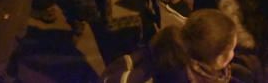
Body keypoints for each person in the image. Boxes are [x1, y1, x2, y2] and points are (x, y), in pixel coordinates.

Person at [102, 9, 237, 83]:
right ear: (220, 59)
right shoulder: (175, 76)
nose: (234, 54)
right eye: (232, 49)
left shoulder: (168, 49)